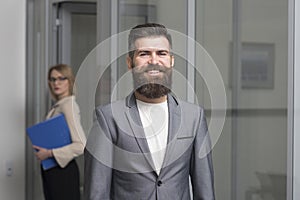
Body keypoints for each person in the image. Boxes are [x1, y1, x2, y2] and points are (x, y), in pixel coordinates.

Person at [84, 23, 215, 200]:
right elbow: (96, 193)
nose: (154, 61)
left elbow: (205, 190)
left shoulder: (194, 117)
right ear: (130, 63)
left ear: (171, 61)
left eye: (161, 53)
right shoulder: (108, 119)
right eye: (144, 54)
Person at [33, 64, 86, 200]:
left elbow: (80, 145)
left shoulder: (68, 105)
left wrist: (49, 153)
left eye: (61, 78)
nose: (56, 83)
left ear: (69, 81)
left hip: (63, 171)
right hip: (53, 169)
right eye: (52, 79)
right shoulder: (59, 105)